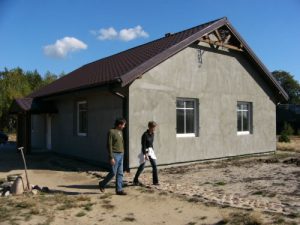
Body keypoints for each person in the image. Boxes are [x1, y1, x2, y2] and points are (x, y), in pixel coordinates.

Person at [99, 118, 127, 195]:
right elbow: (109, 145)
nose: (124, 126)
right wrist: (111, 157)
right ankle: (102, 184)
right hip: (115, 155)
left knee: (120, 173)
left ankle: (119, 190)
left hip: (121, 154)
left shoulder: (120, 132)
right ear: (119, 125)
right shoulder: (111, 132)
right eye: (124, 125)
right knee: (113, 172)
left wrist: (123, 152)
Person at [133, 121, 159, 186]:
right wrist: (145, 154)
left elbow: (151, 144)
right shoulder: (145, 135)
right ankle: (135, 180)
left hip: (151, 151)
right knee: (142, 166)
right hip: (145, 151)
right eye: (153, 127)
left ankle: (155, 182)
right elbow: (143, 145)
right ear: (150, 127)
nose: (154, 129)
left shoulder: (152, 134)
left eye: (155, 127)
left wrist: (152, 151)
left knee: (154, 166)